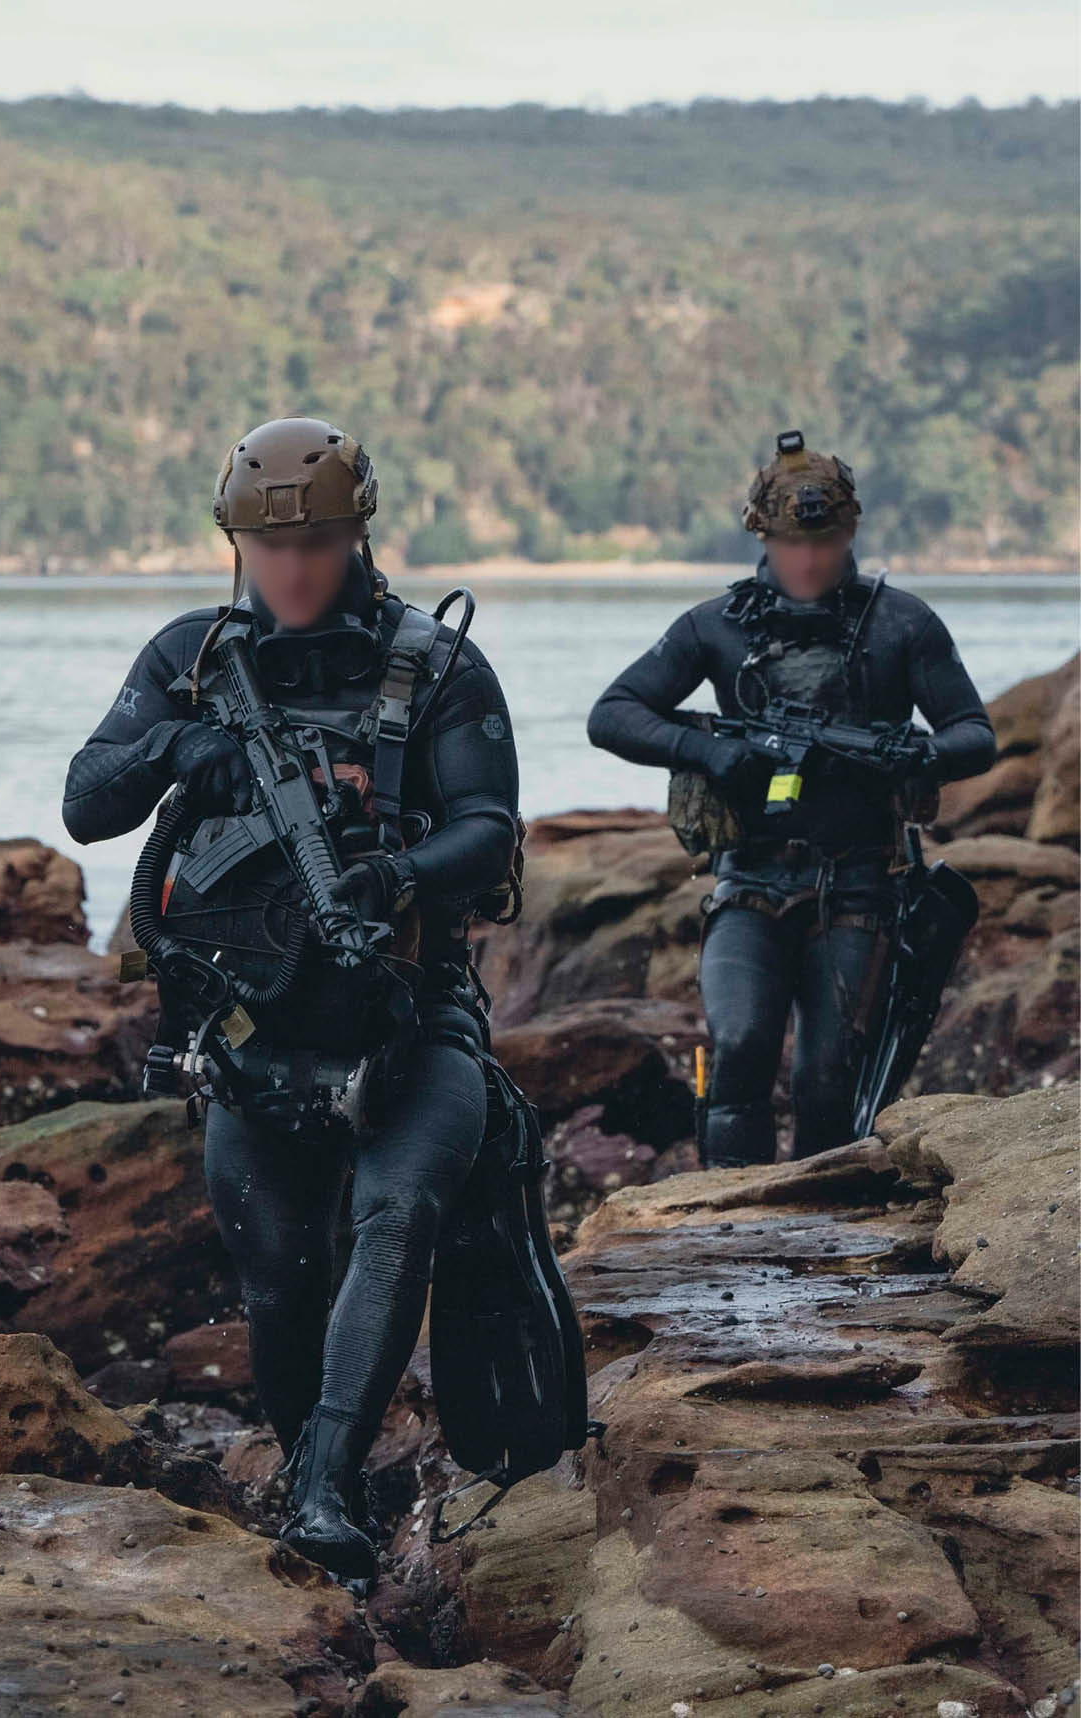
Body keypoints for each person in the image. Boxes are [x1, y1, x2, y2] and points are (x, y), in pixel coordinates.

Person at [62, 417, 519, 1585]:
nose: (292, 568)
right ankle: (323, 1472)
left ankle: (321, 1490)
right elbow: (85, 802)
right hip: (250, 1035)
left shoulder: (437, 665)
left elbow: (488, 829)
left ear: (356, 534)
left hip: (412, 1023)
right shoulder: (190, 655)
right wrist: (175, 748)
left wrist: (394, 875)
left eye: (314, 543)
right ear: (235, 544)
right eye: (268, 547)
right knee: (276, 1283)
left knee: (394, 1212)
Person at [586, 430, 996, 1170]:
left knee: (827, 1078)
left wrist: (912, 754)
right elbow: (613, 715)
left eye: (825, 542)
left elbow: (975, 734)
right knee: (739, 1049)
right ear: (763, 537)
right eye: (791, 544)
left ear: (850, 534)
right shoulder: (716, 626)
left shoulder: (902, 625)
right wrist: (710, 751)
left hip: (861, 886)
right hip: (748, 883)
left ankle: (826, 1226)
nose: (808, 560)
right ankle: (724, 1217)